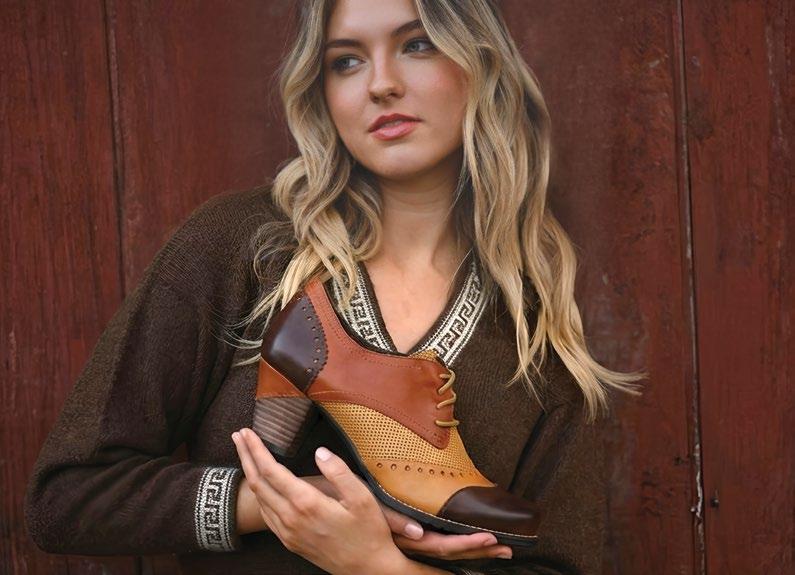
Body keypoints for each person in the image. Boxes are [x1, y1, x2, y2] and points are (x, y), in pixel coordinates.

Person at [24, 0, 645, 573]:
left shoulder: (534, 324)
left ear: (481, 64)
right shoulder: (244, 245)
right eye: (346, 61)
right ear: (322, 93)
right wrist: (281, 504)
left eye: (417, 45)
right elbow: (67, 499)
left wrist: (378, 564)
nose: (381, 84)